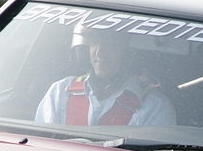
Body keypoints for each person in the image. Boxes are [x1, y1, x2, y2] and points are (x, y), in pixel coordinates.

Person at [35, 25, 175, 127]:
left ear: (129, 52)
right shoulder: (60, 92)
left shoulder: (154, 107)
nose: (99, 52)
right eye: (95, 41)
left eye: (111, 43)